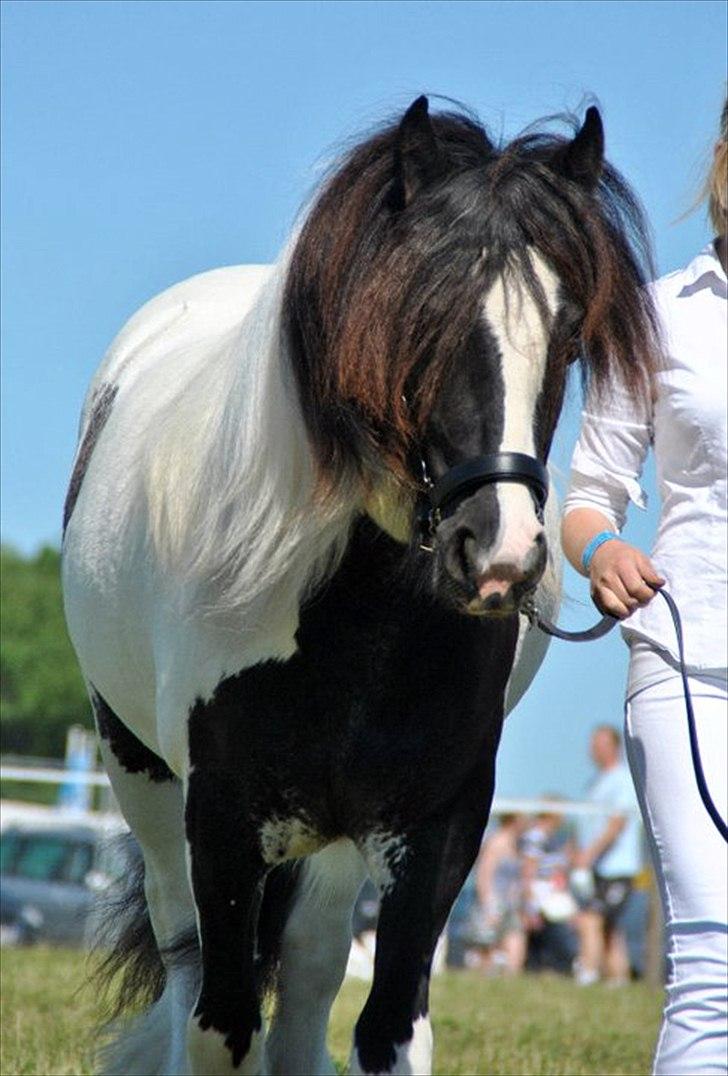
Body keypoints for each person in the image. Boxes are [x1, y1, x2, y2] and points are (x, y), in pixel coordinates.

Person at [562, 99, 727, 1074]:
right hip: (685, 664)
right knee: (712, 954)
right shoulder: (657, 313)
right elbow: (586, 496)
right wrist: (597, 553)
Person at [571, 725, 642, 986]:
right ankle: (618, 980)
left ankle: (587, 975)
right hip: (597, 869)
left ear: (614, 746)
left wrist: (588, 855)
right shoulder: (594, 783)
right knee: (610, 929)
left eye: (600, 743)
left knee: (591, 919)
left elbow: (616, 823)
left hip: (618, 869)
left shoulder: (622, 779)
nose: (594, 749)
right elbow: (587, 826)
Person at [472, 812, 528, 974]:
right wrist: (487, 904)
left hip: (512, 902)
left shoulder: (517, 844)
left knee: (516, 937)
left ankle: (511, 979)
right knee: (487, 945)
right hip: (494, 900)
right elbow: (484, 874)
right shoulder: (496, 842)